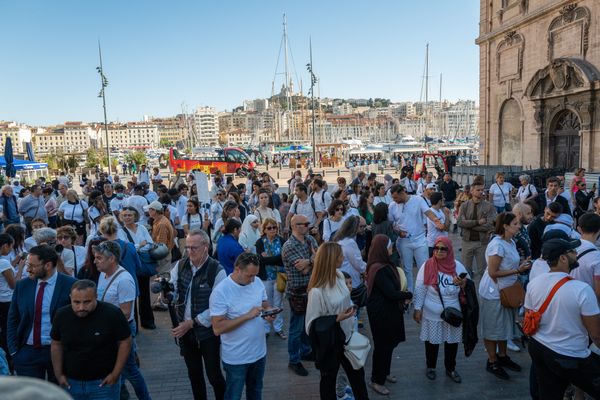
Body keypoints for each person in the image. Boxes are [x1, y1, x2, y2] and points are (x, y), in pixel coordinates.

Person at [527, 237, 600, 399]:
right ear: (563, 258)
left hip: (540, 347)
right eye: (573, 251)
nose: (576, 254)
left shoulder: (534, 283)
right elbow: (596, 335)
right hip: (570, 355)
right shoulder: (581, 289)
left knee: (550, 394)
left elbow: (529, 315)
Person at [305, 242, 369, 400]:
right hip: (331, 344)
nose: (343, 257)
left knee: (358, 378)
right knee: (328, 380)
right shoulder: (316, 292)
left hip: (347, 338)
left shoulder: (340, 275)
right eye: (340, 255)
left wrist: (351, 308)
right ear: (331, 259)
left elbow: (345, 300)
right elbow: (311, 325)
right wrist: (336, 318)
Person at [50, 279, 132, 400]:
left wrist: (115, 374)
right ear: (70, 298)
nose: (81, 307)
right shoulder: (62, 315)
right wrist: (58, 374)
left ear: (96, 297)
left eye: (87, 302)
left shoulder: (112, 314)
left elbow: (125, 341)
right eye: (76, 302)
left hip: (103, 384)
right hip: (71, 384)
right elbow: (56, 344)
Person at [169, 229, 226, 400]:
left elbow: (219, 308)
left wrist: (192, 322)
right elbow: (173, 292)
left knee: (214, 375)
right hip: (186, 334)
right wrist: (166, 293)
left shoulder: (217, 270)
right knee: (194, 376)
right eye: (187, 247)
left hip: (207, 333)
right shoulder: (180, 266)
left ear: (206, 247)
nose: (189, 251)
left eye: (194, 248)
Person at [7, 245, 77, 381]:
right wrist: (14, 351)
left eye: (32, 266)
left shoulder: (71, 285)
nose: (28, 269)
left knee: (57, 394)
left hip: (59, 352)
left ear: (48, 265)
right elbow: (12, 319)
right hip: (27, 352)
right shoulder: (22, 286)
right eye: (27, 265)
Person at [210, 253, 274, 400]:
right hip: (236, 358)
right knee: (233, 395)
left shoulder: (256, 281)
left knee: (256, 392)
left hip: (259, 353)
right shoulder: (221, 291)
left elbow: (264, 304)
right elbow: (217, 328)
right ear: (237, 269)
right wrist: (246, 316)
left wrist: (269, 311)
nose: (253, 280)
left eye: (255, 275)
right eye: (249, 276)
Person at [92, 240, 151, 400]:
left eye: (99, 258)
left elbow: (125, 313)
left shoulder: (124, 280)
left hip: (121, 330)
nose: (95, 261)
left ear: (111, 259)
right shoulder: (103, 274)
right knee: (120, 369)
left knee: (130, 370)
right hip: (109, 330)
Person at [479, 213, 530, 380]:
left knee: (504, 325)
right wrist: (518, 270)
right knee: (493, 327)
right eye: (515, 223)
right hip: (494, 292)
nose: (518, 226)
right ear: (506, 226)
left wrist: (521, 264)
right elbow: (493, 272)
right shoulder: (497, 245)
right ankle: (492, 361)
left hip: (506, 290)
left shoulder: (511, 241)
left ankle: (502, 356)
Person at [413, 237, 469, 383]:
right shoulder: (427, 266)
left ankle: (451, 368)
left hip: (453, 313)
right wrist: (417, 308)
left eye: (443, 249)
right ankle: (431, 367)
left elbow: (468, 286)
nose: (439, 251)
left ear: (449, 250)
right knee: (432, 342)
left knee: (452, 342)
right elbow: (420, 288)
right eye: (436, 248)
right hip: (432, 312)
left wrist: (462, 284)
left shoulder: (458, 266)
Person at [366, 235, 412, 396]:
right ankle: (376, 380)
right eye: (389, 246)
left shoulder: (380, 264)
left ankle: (384, 372)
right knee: (382, 346)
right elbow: (391, 293)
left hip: (387, 310)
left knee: (388, 344)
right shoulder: (380, 269)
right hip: (382, 313)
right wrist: (407, 295)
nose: (391, 249)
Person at [388, 184, 446, 292]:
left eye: (396, 197)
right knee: (407, 269)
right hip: (403, 241)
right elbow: (391, 224)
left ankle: (425, 291)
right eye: (393, 198)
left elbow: (428, 213)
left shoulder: (418, 200)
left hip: (420, 239)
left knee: (424, 267)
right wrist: (398, 232)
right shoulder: (392, 206)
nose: (394, 200)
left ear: (402, 193)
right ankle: (409, 293)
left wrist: (436, 221)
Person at [281, 214, 318, 377]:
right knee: (296, 328)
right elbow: (302, 269)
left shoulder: (310, 240)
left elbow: (319, 261)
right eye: (305, 224)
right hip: (297, 292)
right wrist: (313, 260)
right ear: (295, 226)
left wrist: (310, 262)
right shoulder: (289, 246)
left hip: (310, 289)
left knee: (306, 325)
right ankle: (294, 360)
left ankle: (305, 351)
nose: (308, 226)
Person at [118, 207, 155, 329]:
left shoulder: (142, 228)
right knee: (131, 295)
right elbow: (126, 248)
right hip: (129, 266)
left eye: (130, 215)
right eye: (125, 215)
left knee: (145, 294)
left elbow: (150, 244)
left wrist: (137, 247)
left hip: (143, 264)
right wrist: (140, 245)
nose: (127, 217)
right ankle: (133, 323)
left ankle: (148, 321)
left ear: (135, 216)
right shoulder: (121, 231)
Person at [457, 181, 497, 280]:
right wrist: (477, 222)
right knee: (466, 271)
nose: (481, 192)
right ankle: (469, 293)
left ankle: (482, 292)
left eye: (482, 190)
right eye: (478, 190)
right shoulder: (464, 206)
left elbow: (490, 225)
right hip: (467, 242)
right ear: (471, 191)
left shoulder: (489, 206)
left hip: (482, 243)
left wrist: (469, 225)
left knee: (483, 271)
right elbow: (460, 222)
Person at [255, 218, 286, 339]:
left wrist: (269, 259)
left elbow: (283, 258)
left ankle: (278, 328)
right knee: (266, 303)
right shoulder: (260, 242)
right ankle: (266, 329)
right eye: (269, 228)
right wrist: (276, 258)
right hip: (266, 276)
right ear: (264, 230)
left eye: (274, 227)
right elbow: (261, 260)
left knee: (278, 303)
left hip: (279, 276)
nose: (272, 230)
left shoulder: (282, 240)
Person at [333, 216, 367, 308]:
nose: (363, 228)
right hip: (351, 279)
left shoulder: (339, 239)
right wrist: (368, 267)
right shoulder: (349, 242)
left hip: (341, 277)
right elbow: (358, 264)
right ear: (354, 228)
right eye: (361, 226)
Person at [0, 234, 19, 367]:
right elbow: (14, 284)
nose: (11, 250)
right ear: (5, 245)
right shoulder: (3, 262)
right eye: (11, 247)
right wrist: (22, 266)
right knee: (9, 331)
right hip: (7, 301)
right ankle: (10, 360)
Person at [145, 201, 175, 278]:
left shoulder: (161, 224)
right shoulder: (160, 220)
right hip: (164, 255)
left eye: (150, 210)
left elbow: (161, 246)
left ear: (154, 211)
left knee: (163, 278)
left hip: (162, 256)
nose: (148, 211)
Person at [426, 192, 451, 257]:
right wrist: (447, 215)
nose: (444, 199)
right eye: (443, 199)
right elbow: (443, 228)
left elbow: (447, 228)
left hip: (442, 243)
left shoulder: (440, 211)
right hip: (434, 245)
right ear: (439, 201)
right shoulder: (431, 212)